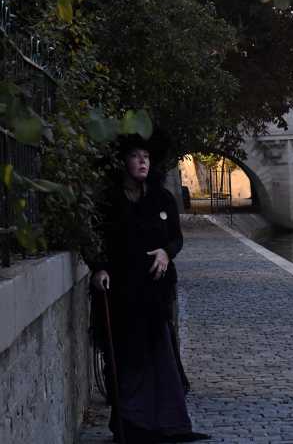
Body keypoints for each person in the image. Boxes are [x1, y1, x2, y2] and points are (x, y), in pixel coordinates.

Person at [90, 134, 208, 443]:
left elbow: (176, 238)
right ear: (124, 163)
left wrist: (166, 253)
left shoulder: (162, 199)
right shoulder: (108, 201)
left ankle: (168, 423)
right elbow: (94, 238)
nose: (143, 161)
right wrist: (99, 266)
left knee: (160, 358)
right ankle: (132, 425)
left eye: (147, 157)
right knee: (127, 358)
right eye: (136, 156)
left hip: (155, 292)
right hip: (121, 291)